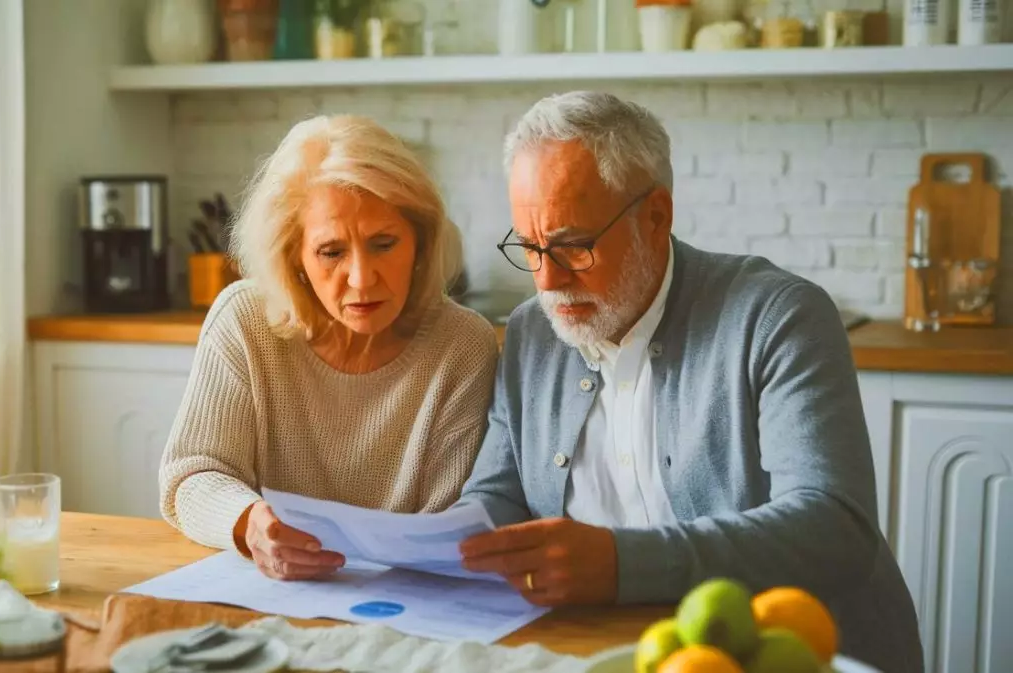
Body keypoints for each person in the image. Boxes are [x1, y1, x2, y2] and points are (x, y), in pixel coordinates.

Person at [454, 91, 922, 672]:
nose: (547, 279)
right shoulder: (532, 330)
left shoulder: (778, 315)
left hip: (790, 656)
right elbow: (495, 498)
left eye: (574, 245)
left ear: (656, 217)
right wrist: (418, 545)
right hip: (617, 654)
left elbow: (834, 527)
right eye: (529, 247)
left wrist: (622, 562)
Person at [159, 114, 498, 582]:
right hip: (270, 595)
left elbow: (445, 530)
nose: (361, 279)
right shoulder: (244, 320)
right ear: (293, 255)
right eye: (332, 252)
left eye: (384, 243)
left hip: (407, 603)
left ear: (420, 243)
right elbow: (189, 477)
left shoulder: (462, 346)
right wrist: (249, 523)